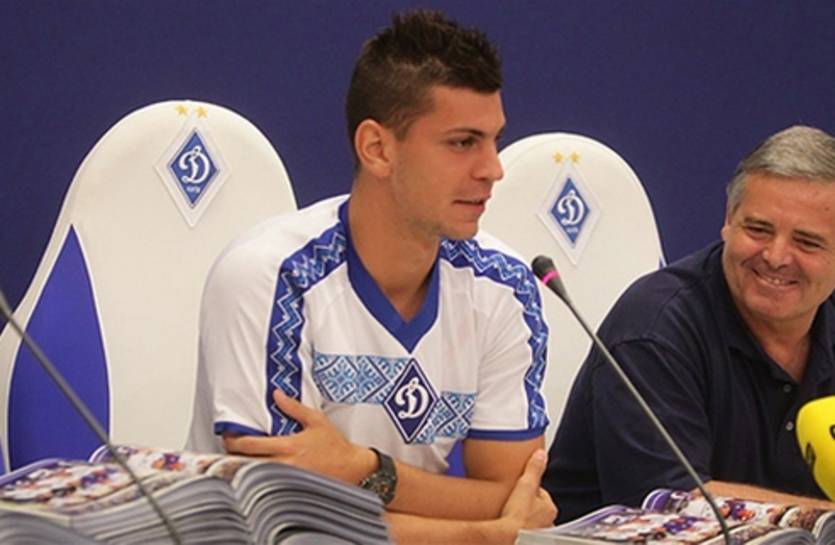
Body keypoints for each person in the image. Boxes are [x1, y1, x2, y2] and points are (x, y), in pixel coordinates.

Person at [187, 9, 557, 544]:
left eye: (494, 140)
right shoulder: (270, 278)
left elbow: (517, 494)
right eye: (462, 142)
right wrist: (479, 536)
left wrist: (363, 468)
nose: (492, 169)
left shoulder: (506, 286)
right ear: (377, 149)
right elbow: (286, 521)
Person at [543, 125, 835, 523]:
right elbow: (672, 505)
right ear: (728, 219)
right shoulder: (653, 329)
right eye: (758, 229)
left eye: (807, 242)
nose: (776, 256)